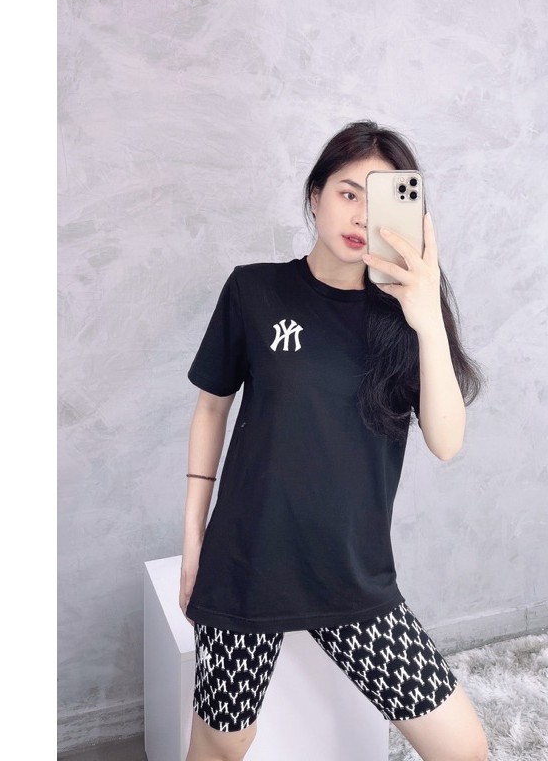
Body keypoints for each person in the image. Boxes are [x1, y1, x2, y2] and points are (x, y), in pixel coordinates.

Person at [180, 120, 489, 761]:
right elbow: (211, 409)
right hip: (246, 568)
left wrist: (427, 319)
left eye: (380, 199)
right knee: (222, 743)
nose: (361, 215)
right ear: (315, 193)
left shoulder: (403, 319)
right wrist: (194, 547)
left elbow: (446, 442)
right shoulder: (253, 290)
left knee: (463, 750)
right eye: (349, 192)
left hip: (352, 575)